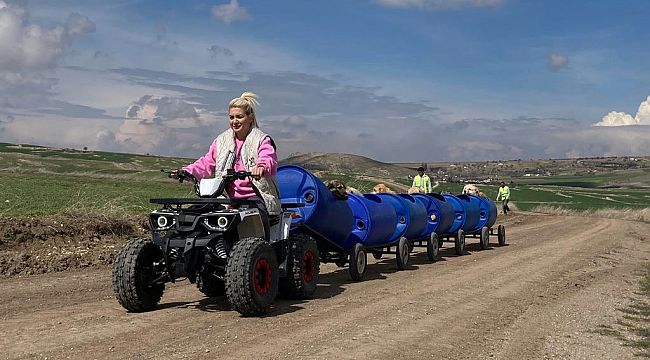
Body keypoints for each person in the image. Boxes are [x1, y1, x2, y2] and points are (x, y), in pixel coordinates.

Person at [172, 91, 280, 240]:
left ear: (250, 118)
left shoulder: (261, 139)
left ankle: (263, 255)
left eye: (239, 117)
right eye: (231, 117)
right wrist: (186, 171)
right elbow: (207, 162)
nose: (235, 121)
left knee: (254, 225)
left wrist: (261, 166)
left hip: (254, 197)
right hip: (225, 197)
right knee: (192, 215)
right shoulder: (222, 140)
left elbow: (268, 158)